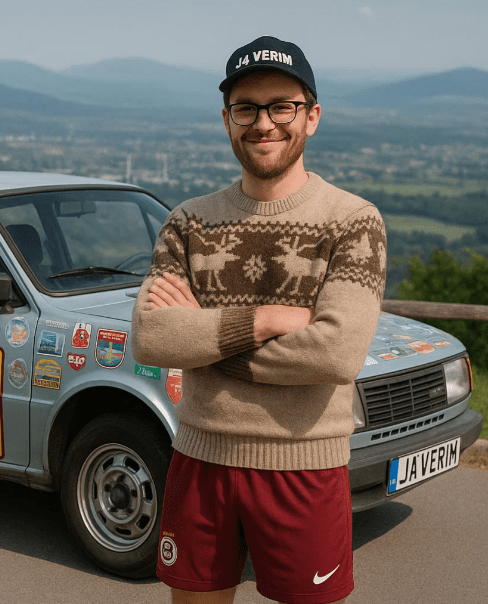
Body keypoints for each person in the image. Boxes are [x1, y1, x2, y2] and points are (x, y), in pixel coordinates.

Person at [131, 36, 386, 604]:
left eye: (282, 106)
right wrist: (269, 318)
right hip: (199, 458)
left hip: (305, 466)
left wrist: (205, 335)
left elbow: (336, 354)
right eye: (246, 108)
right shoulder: (187, 222)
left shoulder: (352, 222)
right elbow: (153, 337)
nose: (263, 123)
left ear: (311, 117)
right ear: (227, 120)